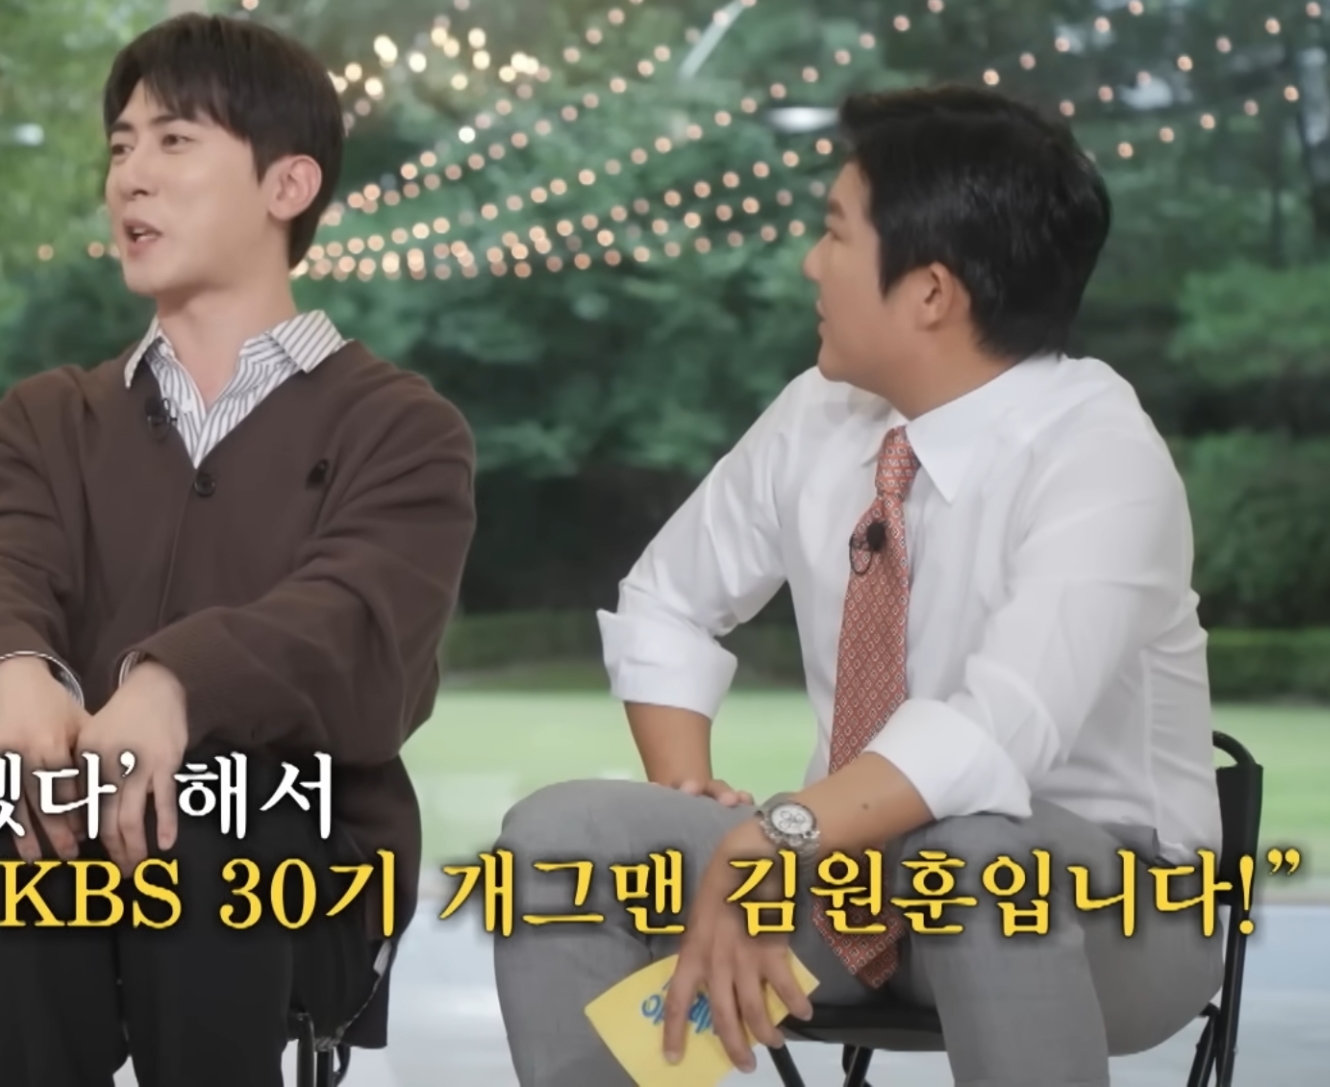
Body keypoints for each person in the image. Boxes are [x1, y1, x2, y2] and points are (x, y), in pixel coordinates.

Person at [491, 84, 1224, 1086]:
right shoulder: (819, 413)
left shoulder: (1101, 454)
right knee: (559, 842)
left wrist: (771, 838)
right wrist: (693, 802)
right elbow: (666, 600)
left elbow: (994, 732)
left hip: (1114, 912)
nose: (809, 262)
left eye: (835, 232)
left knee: (977, 854)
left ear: (930, 292)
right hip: (849, 883)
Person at [0, 12, 479, 1086]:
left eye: (174, 141)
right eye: (120, 146)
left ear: (287, 184)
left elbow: (357, 620)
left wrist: (174, 685)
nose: (130, 177)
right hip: (71, 840)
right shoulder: (47, 418)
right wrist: (8, 672)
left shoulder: (399, 427)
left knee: (218, 806)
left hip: (298, 866)